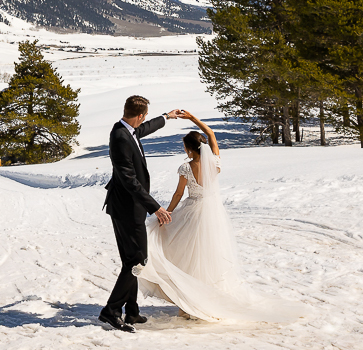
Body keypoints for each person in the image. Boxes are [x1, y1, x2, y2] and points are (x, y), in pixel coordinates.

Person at [134, 110, 302, 323]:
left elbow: (178, 194)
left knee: (185, 256)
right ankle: (201, 300)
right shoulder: (214, 162)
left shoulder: (185, 167)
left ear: (188, 149)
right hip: (213, 215)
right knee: (208, 257)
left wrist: (167, 213)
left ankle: (188, 303)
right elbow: (212, 135)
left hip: (191, 214)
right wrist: (194, 119)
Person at [98, 95, 184, 333]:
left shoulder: (129, 129)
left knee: (131, 260)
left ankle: (132, 311)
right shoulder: (120, 137)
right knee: (137, 260)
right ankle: (111, 311)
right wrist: (155, 207)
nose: (144, 120)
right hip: (127, 208)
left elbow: (144, 129)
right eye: (144, 116)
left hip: (129, 207)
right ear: (138, 115)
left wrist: (167, 116)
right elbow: (128, 180)